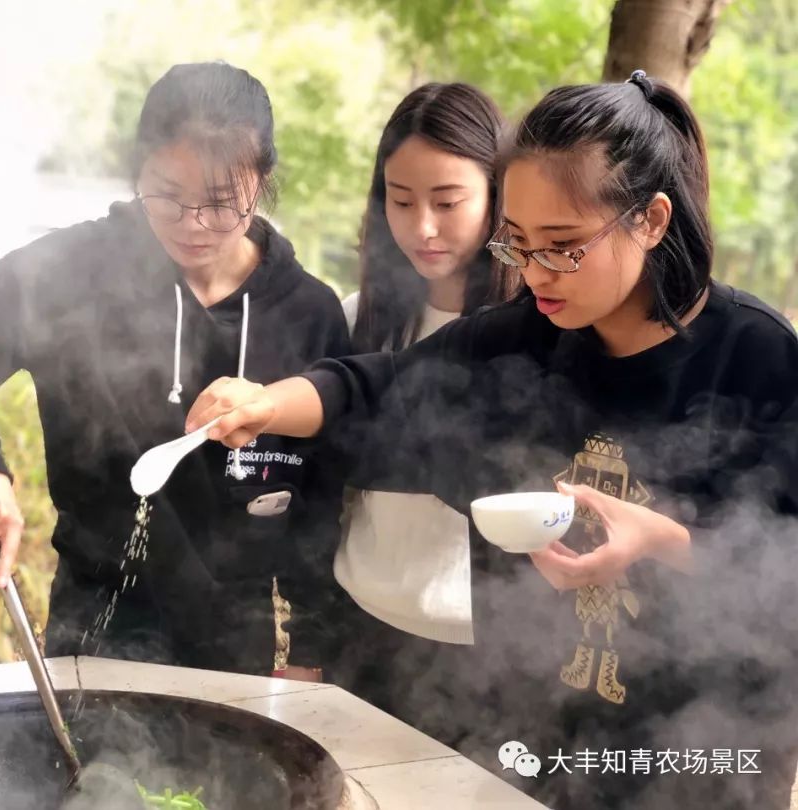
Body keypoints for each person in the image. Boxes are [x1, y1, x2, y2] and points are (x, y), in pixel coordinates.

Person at [186, 72, 798, 808]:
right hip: (541, 745)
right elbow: (380, 390)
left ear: (652, 219)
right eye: (517, 245)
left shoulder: (760, 357)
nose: (536, 273)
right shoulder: (524, 338)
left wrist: (664, 540)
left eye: (564, 247)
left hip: (703, 759)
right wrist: (266, 402)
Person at [0, 62, 351, 678]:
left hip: (236, 640)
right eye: (167, 196)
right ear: (137, 171)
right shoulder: (71, 272)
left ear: (260, 182)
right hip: (95, 624)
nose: (193, 225)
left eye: (220, 203)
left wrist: (312, 650)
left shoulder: (307, 312)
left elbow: (322, 503)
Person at [333, 83, 506, 723]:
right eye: (401, 201)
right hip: (363, 630)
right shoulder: (360, 323)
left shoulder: (538, 335)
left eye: (448, 201)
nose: (422, 227)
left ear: (497, 196)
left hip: (482, 651)